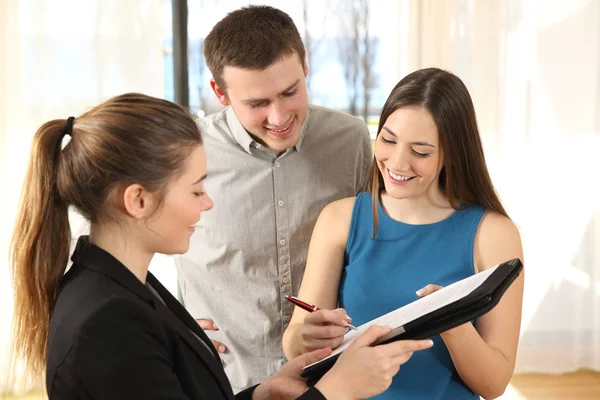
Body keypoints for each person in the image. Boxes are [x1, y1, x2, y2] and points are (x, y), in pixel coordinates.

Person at [8, 93, 432, 400]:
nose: (207, 203)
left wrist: (261, 396)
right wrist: (334, 393)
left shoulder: (128, 288)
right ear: (138, 200)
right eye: (195, 191)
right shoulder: (106, 323)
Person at [282, 68, 525, 399]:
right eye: (388, 139)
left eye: (420, 151)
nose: (397, 162)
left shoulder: (494, 233)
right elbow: (294, 341)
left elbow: (494, 383)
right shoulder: (339, 219)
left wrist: (449, 319)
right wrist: (308, 337)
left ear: (451, 154)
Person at [174, 5, 373, 392]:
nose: (279, 116)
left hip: (331, 379)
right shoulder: (184, 150)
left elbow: (378, 243)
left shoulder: (352, 141)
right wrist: (162, 322)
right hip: (225, 382)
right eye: (257, 103)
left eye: (290, 92)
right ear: (220, 93)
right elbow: (120, 238)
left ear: (305, 66)